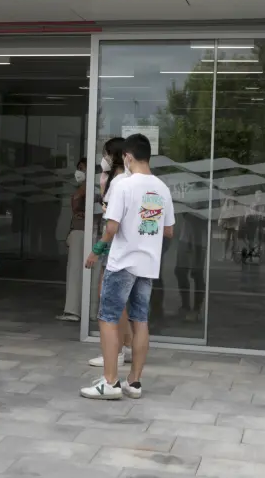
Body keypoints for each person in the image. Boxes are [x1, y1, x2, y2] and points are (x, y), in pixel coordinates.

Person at [81, 134, 174, 400]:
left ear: (128, 157)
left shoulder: (124, 185)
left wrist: (98, 249)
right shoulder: (162, 189)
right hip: (147, 264)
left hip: (123, 262)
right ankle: (134, 383)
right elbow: (168, 231)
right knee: (140, 320)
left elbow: (112, 227)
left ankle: (110, 383)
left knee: (108, 318)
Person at [87, 137, 134, 367]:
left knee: (107, 297)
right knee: (121, 301)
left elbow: (111, 224)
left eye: (106, 154)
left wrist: (97, 250)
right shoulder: (124, 179)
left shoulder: (119, 182)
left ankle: (113, 352)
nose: (103, 159)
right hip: (125, 246)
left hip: (114, 245)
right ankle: (125, 346)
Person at [58, 158, 89, 322]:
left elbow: (77, 205)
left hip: (82, 231)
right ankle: (82, 310)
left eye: (82, 168)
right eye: (79, 168)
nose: (79, 172)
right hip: (79, 231)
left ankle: (73, 310)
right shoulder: (85, 188)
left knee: (75, 270)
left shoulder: (88, 189)